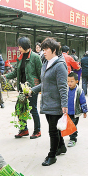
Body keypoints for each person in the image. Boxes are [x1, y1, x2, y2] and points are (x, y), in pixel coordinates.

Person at [31, 37, 68, 166]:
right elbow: (44, 84)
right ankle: (61, 147)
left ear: (54, 50)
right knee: (56, 129)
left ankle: (52, 156)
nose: (44, 52)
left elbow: (63, 87)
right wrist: (32, 90)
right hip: (47, 102)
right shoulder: (46, 64)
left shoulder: (59, 66)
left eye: (46, 49)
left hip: (55, 103)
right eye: (43, 49)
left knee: (52, 130)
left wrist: (64, 105)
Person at [4, 37, 42, 139]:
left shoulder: (35, 57)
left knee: (32, 109)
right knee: (19, 109)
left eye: (20, 47)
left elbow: (41, 74)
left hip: (32, 88)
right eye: (19, 47)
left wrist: (40, 88)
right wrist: (4, 77)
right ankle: (24, 129)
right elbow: (14, 72)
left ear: (26, 46)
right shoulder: (20, 57)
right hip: (22, 88)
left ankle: (37, 130)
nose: (19, 48)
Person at [67, 72, 88, 147]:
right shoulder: (66, 89)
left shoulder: (79, 90)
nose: (69, 83)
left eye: (72, 81)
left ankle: (73, 139)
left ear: (77, 81)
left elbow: (83, 101)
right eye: (68, 81)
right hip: (67, 112)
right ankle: (72, 134)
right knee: (68, 125)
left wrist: (84, 111)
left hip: (75, 112)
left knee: (72, 125)